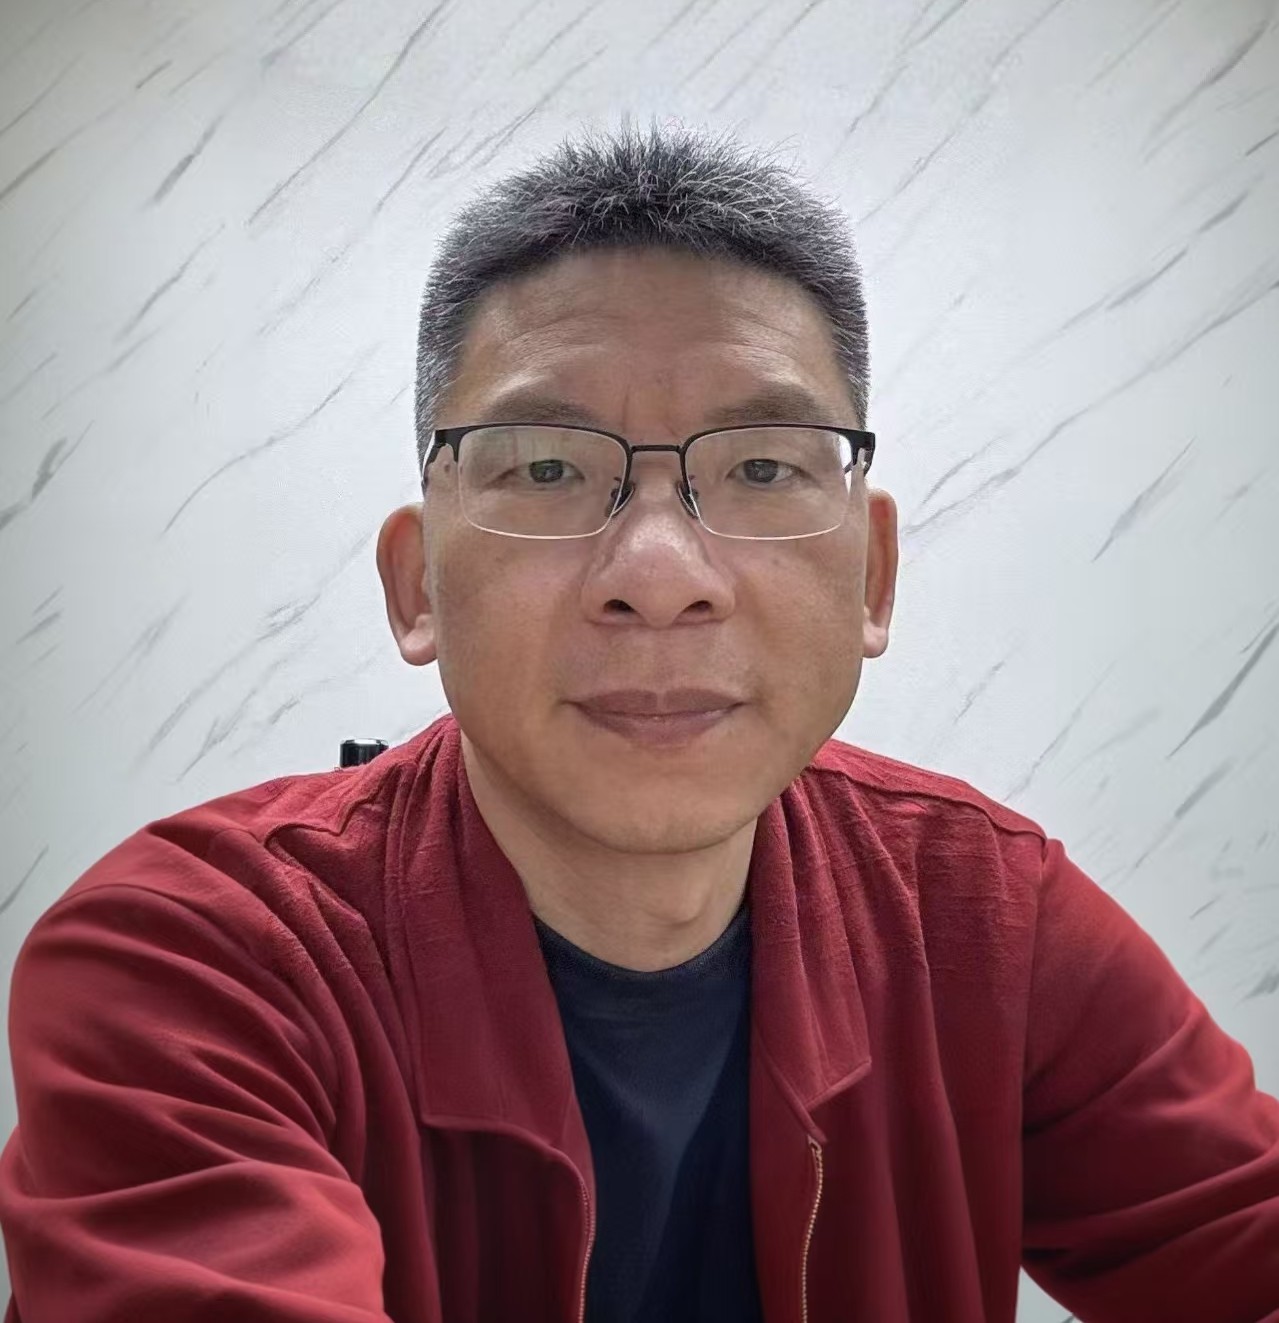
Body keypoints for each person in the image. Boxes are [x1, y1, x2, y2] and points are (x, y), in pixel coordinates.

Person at [0, 123, 1276, 1323]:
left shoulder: (985, 921)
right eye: (548, 468)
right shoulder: (197, 964)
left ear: (873, 579)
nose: (659, 574)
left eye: (762, 467)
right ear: (415, 586)